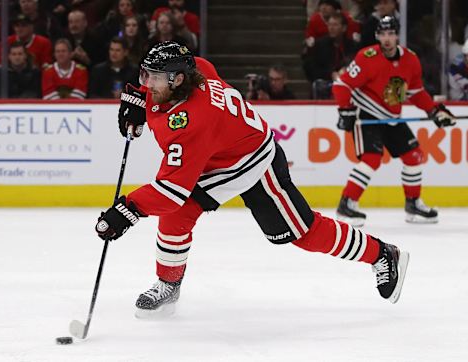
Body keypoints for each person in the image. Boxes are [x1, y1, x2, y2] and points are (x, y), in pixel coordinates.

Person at [94, 41, 409, 317]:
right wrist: (139, 99)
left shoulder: (191, 123)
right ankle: (169, 284)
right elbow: (180, 77)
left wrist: (126, 210)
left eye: (154, 79)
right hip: (218, 157)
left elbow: (170, 191)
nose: (147, 83)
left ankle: (382, 253)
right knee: (177, 217)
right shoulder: (195, 71)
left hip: (255, 163)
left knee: (304, 232)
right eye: (144, 76)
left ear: (178, 80)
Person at [332, 16, 456, 227]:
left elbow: (416, 92)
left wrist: (435, 111)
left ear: (397, 35)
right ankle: (347, 204)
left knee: (414, 156)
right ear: (377, 36)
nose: (387, 38)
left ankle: (413, 204)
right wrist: (346, 109)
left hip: (392, 117)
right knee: (372, 159)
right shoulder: (367, 57)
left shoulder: (411, 60)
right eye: (383, 34)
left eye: (391, 33)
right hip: (368, 114)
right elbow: (341, 85)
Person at [302, 12, 358, 99]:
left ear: (344, 28)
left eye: (335, 25)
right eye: (329, 25)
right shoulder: (320, 45)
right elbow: (311, 68)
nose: (331, 28)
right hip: (324, 86)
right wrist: (330, 74)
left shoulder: (353, 46)